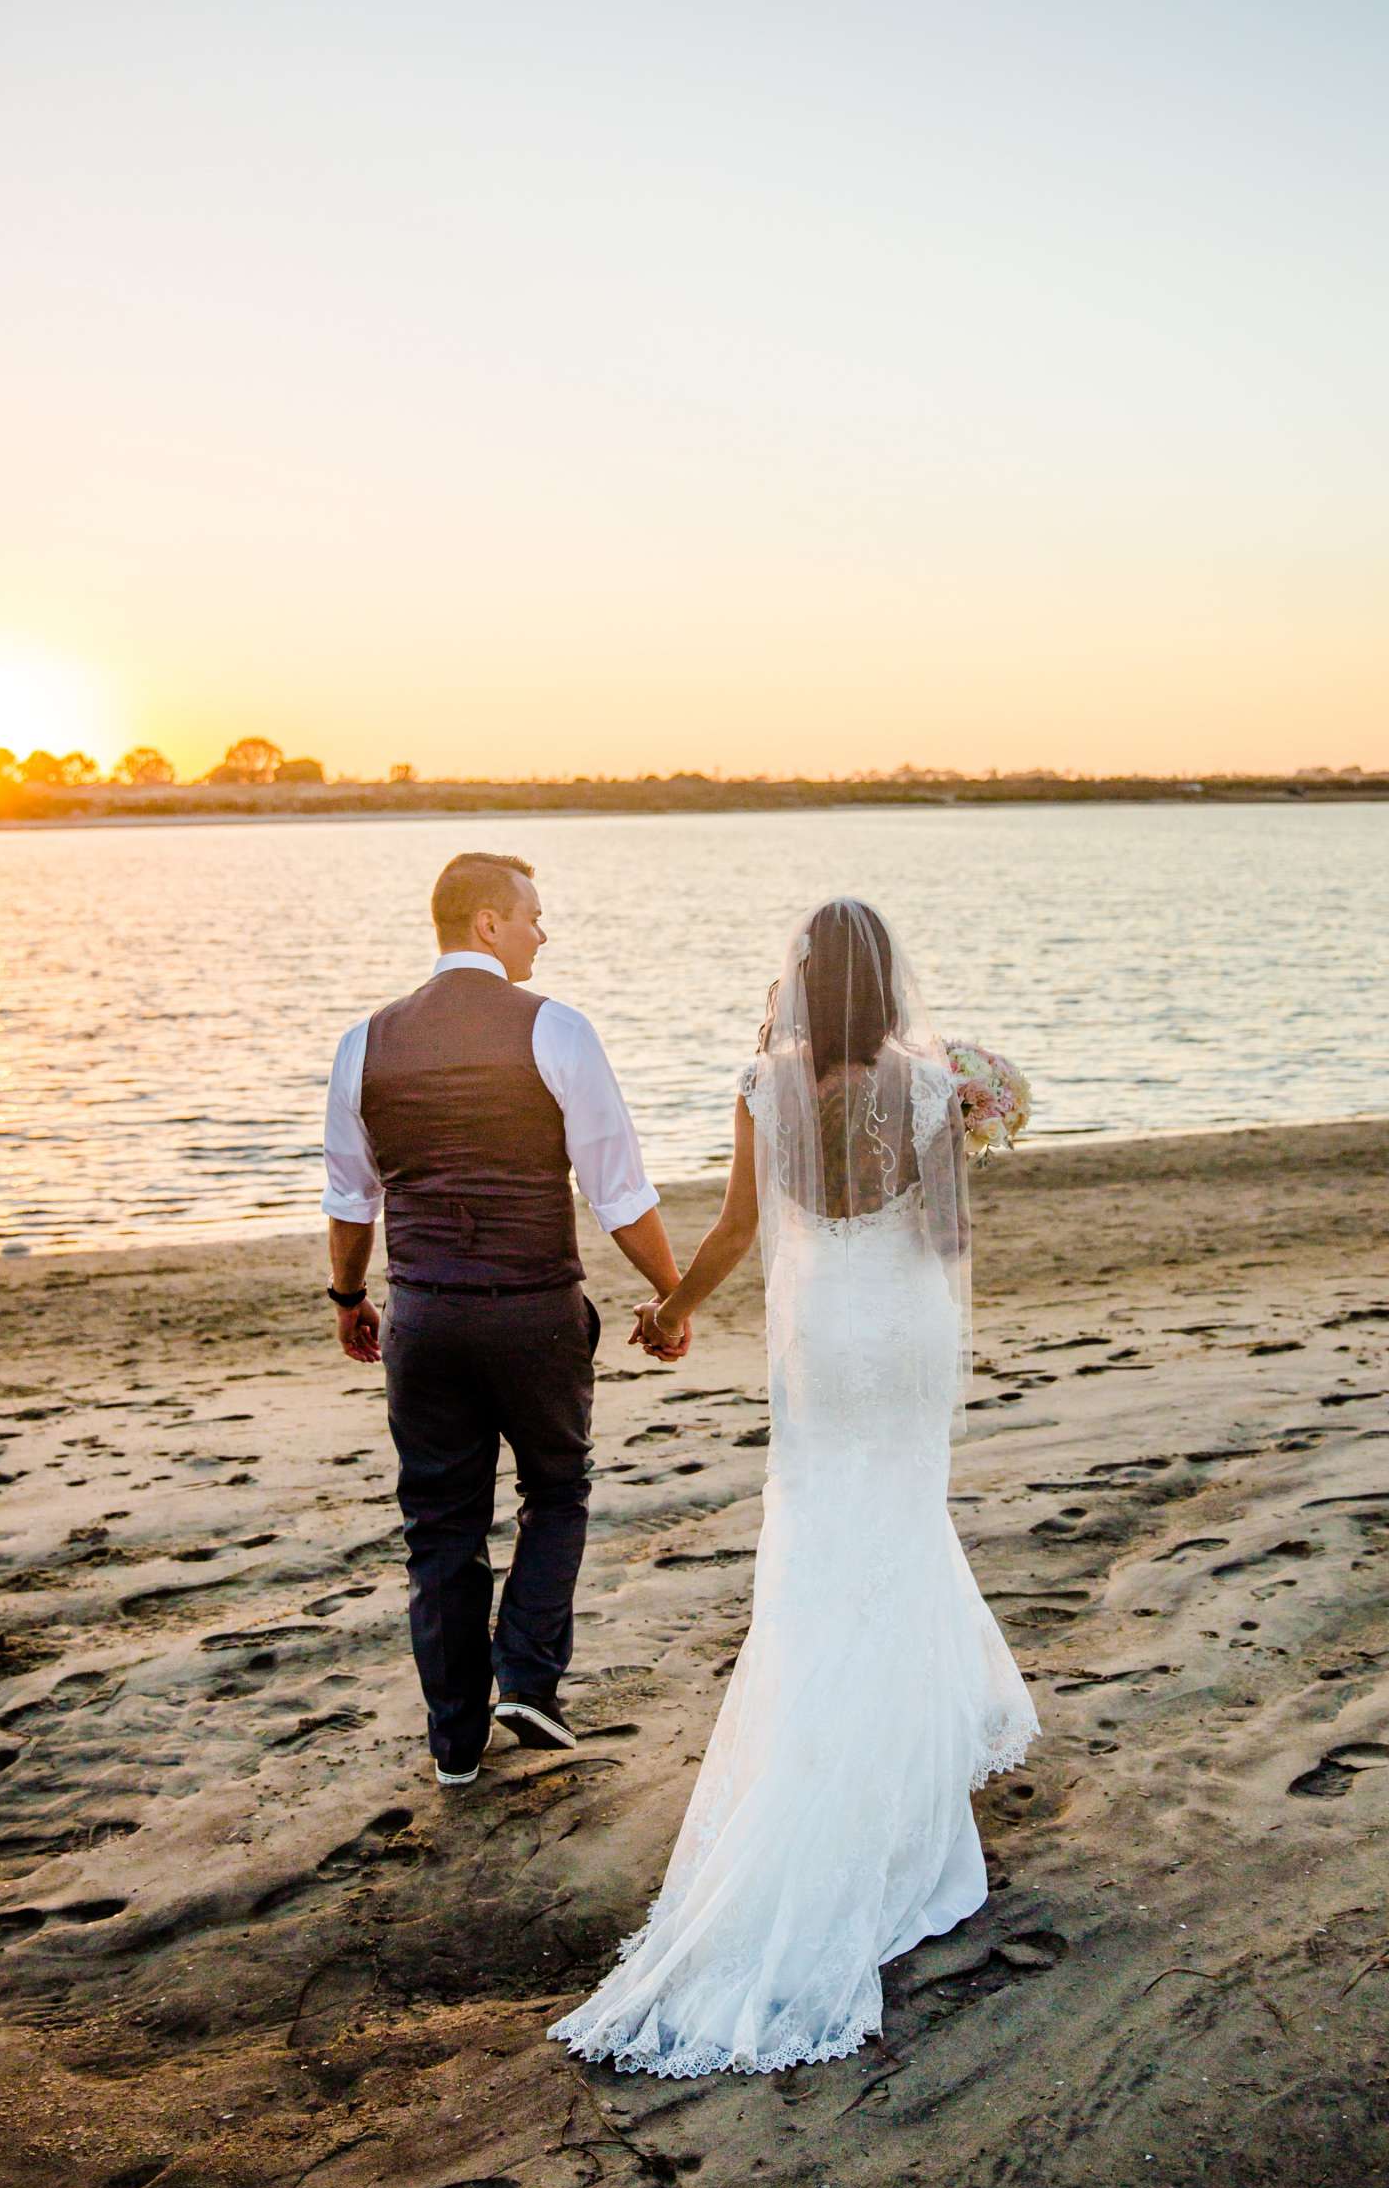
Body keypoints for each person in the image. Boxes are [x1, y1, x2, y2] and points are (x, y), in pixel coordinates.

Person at [549, 896, 1040, 2077]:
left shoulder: (762, 1083)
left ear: (803, 981)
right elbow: (950, 1244)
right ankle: (903, 1812)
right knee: (902, 1532)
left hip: (821, 1339)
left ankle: (830, 1767)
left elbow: (731, 1227)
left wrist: (672, 1308)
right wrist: (962, 1138)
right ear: (887, 986)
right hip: (903, 1334)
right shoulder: (925, 1085)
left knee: (828, 1552)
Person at [320, 850, 690, 1787]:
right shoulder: (557, 1030)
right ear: (488, 922)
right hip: (534, 1313)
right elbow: (618, 1191)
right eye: (531, 914)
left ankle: (453, 1743)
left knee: (439, 1524)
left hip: (426, 1320)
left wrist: (351, 1298)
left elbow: (350, 1198)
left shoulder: (364, 1042)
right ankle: (527, 1679)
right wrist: (673, 1298)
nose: (542, 930)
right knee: (557, 1489)